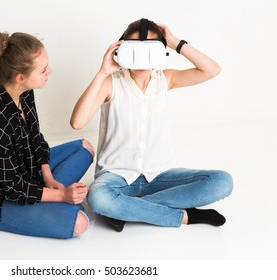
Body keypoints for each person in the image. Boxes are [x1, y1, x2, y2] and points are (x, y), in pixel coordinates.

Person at [70, 19, 233, 232]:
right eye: (135, 50)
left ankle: (127, 209)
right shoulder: (112, 83)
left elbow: (212, 70)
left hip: (159, 175)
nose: (142, 60)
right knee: (99, 198)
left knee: (222, 181)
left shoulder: (165, 79)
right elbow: (77, 122)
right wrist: (102, 72)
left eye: (150, 51)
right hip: (116, 178)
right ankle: (184, 216)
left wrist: (175, 42)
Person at [0, 31, 94, 239]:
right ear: (20, 77)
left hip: (26, 171)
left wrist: (48, 177)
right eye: (43, 70)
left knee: (84, 148)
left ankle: (51, 198)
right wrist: (60, 195)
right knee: (80, 224)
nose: (51, 71)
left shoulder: (23, 90)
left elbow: (35, 138)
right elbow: (10, 187)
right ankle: (59, 204)